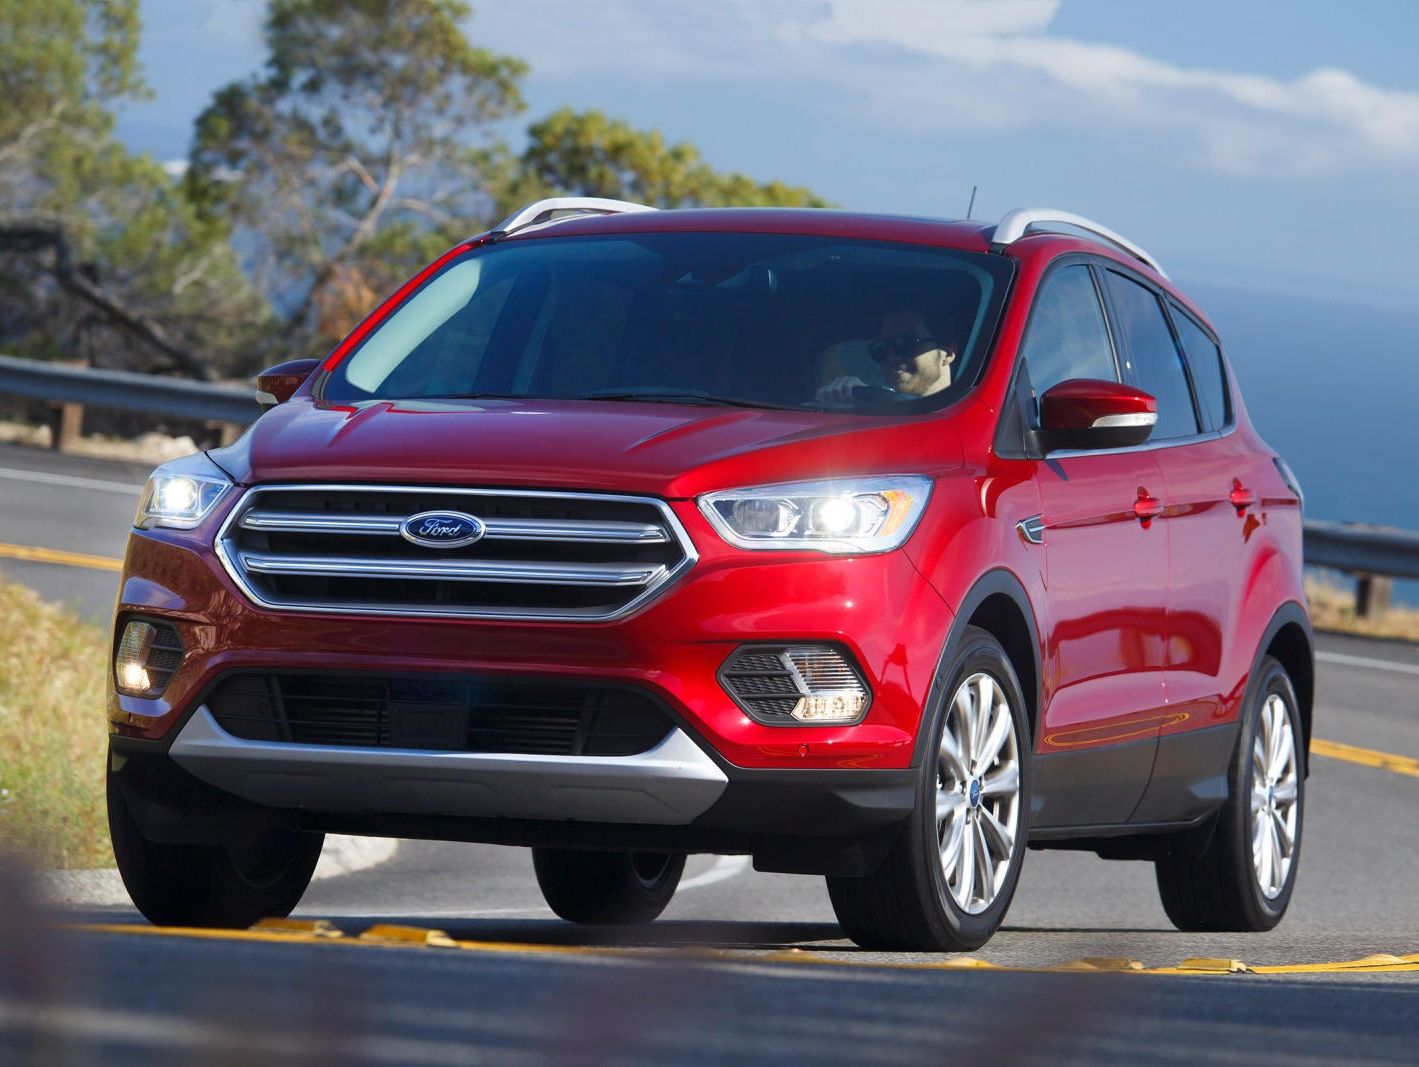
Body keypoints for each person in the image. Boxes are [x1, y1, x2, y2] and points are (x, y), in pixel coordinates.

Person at [816, 309, 958, 403]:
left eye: (906, 344)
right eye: (881, 348)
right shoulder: (868, 415)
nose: (891, 357)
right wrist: (841, 397)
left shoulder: (970, 418)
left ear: (948, 352)